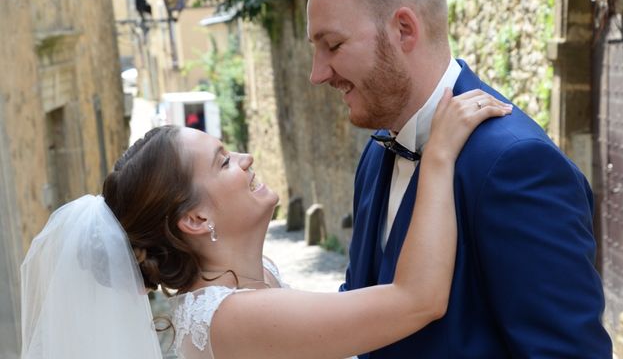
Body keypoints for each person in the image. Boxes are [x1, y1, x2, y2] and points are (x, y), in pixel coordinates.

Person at [302, 0, 612, 358]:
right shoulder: (377, 152)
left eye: (332, 45)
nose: (317, 74)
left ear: (404, 30)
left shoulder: (515, 164)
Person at [21, 90, 510, 359]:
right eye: (223, 162)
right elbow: (417, 300)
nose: (247, 157)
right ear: (196, 218)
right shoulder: (230, 317)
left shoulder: (259, 278)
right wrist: (440, 156)